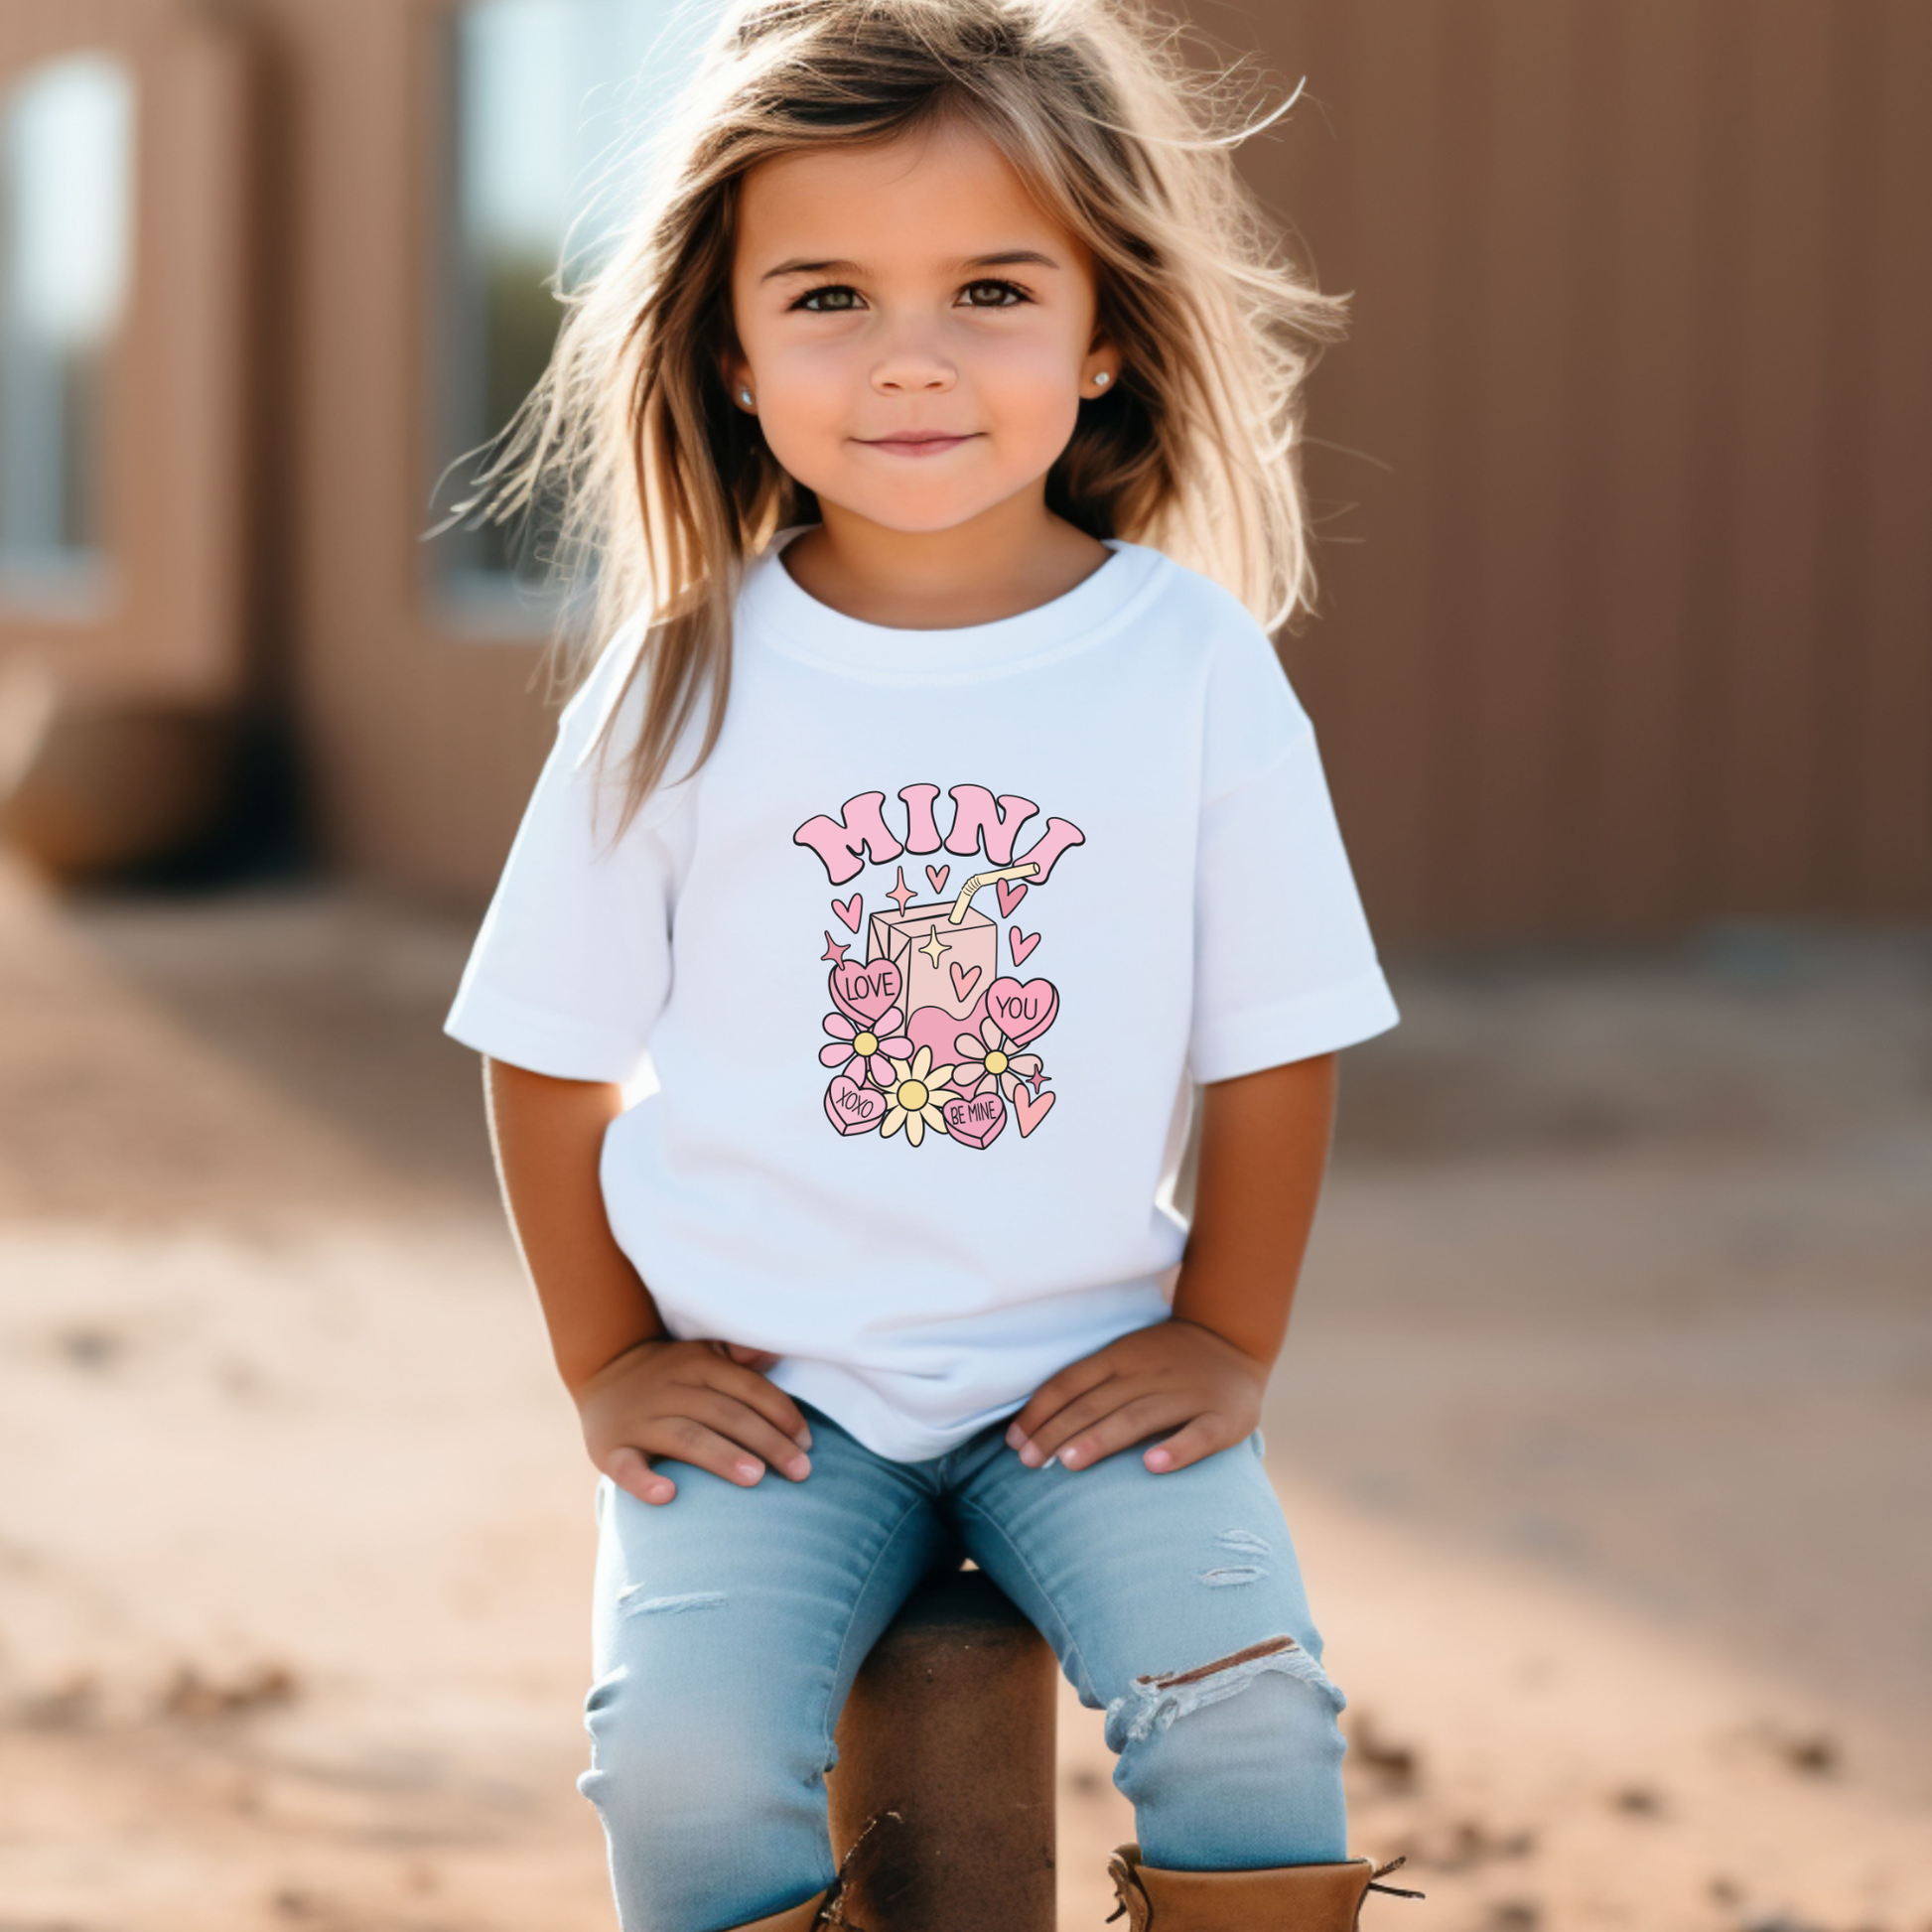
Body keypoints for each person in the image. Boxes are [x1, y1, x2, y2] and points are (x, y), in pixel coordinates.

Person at [444, 2, 1408, 1926]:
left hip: (1078, 1372)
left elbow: (1275, 1038)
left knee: (1249, 1721)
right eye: (826, 297)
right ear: (728, 350)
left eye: (987, 287)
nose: (910, 359)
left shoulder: (1188, 663)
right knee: (682, 1760)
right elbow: (544, 1046)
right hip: (768, 1391)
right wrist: (609, 1354)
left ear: (1101, 324)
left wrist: (1224, 1333)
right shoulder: (679, 677)